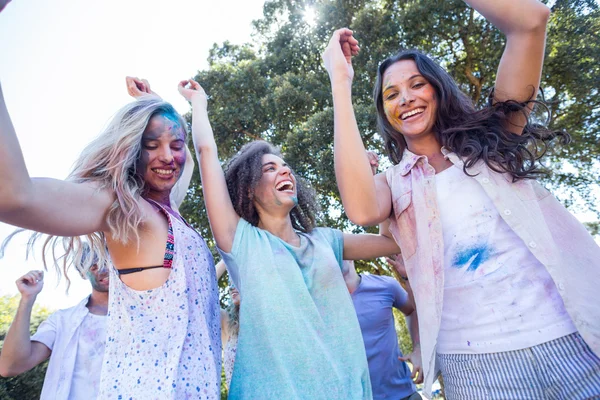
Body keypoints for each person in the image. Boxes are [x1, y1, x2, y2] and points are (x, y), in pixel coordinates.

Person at [322, 0, 600, 398]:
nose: (406, 99)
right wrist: (339, 79)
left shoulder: (495, 138)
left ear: (438, 88)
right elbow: (361, 209)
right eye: (391, 94)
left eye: (417, 84)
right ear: (385, 112)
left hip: (571, 341)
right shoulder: (394, 185)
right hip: (475, 368)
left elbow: (531, 22)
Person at [0, 69, 221, 398]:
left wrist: (158, 103)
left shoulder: (170, 213)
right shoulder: (126, 210)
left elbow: (192, 156)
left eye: (175, 145)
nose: (168, 156)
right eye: (150, 145)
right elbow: (16, 197)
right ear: (130, 150)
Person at [179, 78, 401, 399]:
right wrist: (198, 104)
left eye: (286, 167)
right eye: (271, 168)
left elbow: (391, 243)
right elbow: (206, 152)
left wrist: (373, 185)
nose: (286, 172)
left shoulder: (325, 242)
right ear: (249, 186)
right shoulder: (241, 242)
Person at [0, 244, 109, 400]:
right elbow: (10, 366)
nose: (103, 269)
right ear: (82, 273)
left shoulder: (147, 317)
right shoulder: (62, 321)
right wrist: (27, 299)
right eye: (92, 266)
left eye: (107, 262)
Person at [343, 260, 422, 400]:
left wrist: (418, 348)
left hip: (404, 394)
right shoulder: (315, 300)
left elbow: (412, 310)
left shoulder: (386, 285)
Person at [215, 260, 240, 390]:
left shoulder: (267, 320)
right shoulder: (226, 323)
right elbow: (199, 290)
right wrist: (226, 259)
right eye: (230, 281)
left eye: (236, 279)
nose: (231, 287)